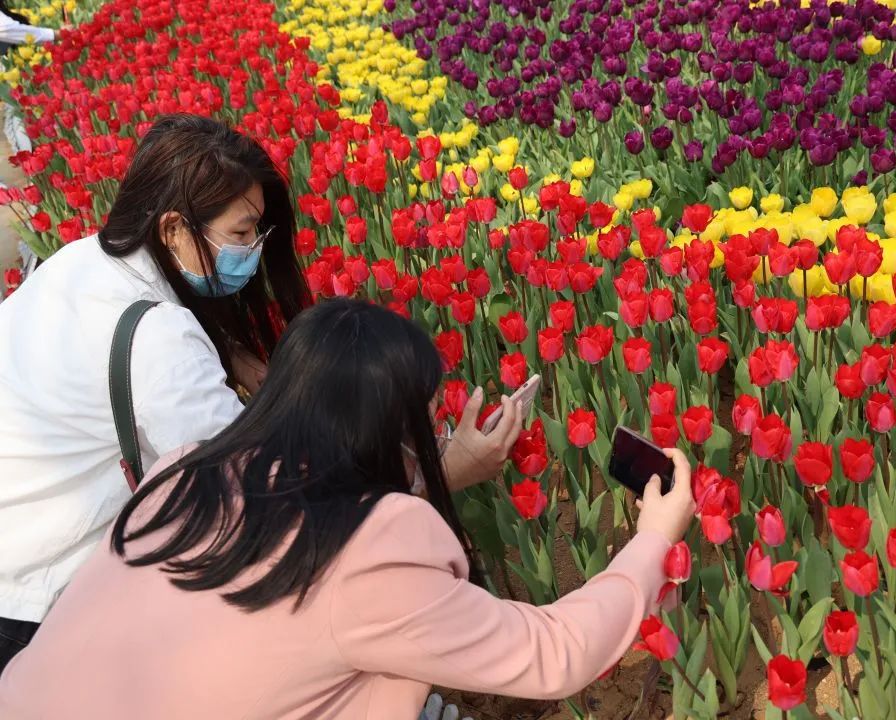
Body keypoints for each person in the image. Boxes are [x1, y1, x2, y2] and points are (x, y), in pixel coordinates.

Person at [0, 299, 696, 719]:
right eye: (424, 423)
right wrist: (651, 541)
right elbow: (553, 655)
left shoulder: (190, 468)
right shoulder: (376, 554)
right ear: (388, 431)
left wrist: (444, 473)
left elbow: (304, 543)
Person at [0, 113, 313, 670]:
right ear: (172, 229)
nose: (255, 251)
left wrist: (228, 350)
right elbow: (251, 487)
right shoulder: (163, 339)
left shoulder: (80, 259)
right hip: (42, 602)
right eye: (242, 234)